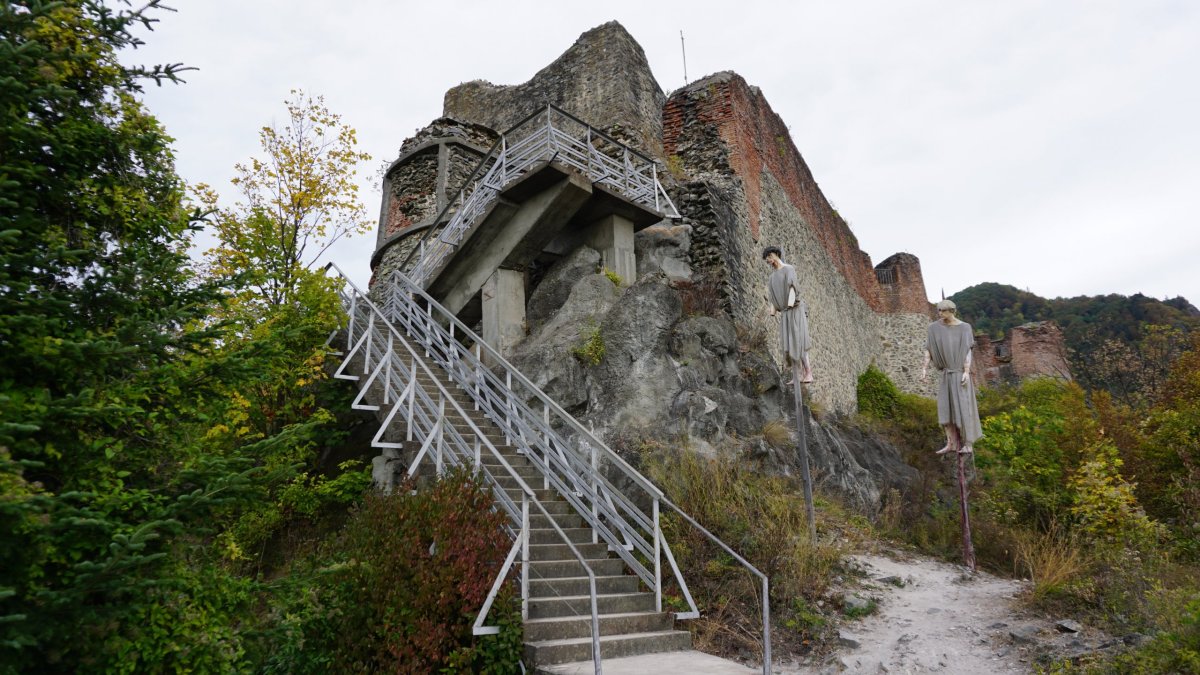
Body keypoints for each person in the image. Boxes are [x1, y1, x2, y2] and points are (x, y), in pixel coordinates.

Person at [921, 299, 983, 454]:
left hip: (960, 374)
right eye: (938, 311)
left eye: (943, 311)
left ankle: (968, 443)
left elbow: (968, 351)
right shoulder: (934, 328)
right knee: (945, 409)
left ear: (951, 311)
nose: (940, 314)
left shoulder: (965, 328)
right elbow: (928, 349)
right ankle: (952, 443)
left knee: (964, 408)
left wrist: (966, 371)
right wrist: (924, 369)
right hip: (946, 375)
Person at [763, 246, 813, 384]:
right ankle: (796, 375)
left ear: (775, 255)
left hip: (795, 310)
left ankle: (808, 372)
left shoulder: (788, 269)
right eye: (766, 258)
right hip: (785, 312)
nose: (768, 260)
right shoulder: (772, 277)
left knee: (799, 340)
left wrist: (790, 302)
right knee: (790, 343)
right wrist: (773, 309)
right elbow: (773, 296)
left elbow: (792, 287)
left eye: (769, 256)